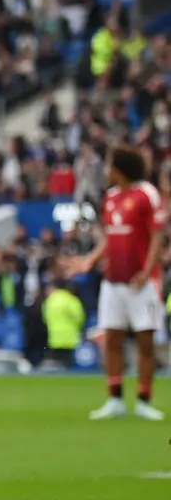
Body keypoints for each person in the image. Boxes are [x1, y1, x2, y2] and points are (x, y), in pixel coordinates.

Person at [70, 146, 165, 421]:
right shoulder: (110, 199)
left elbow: (157, 236)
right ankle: (115, 399)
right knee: (112, 339)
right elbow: (110, 239)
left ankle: (145, 399)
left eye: (111, 165)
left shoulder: (147, 194)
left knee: (145, 342)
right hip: (113, 282)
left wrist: (147, 272)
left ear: (121, 168)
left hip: (141, 283)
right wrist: (90, 260)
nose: (107, 171)